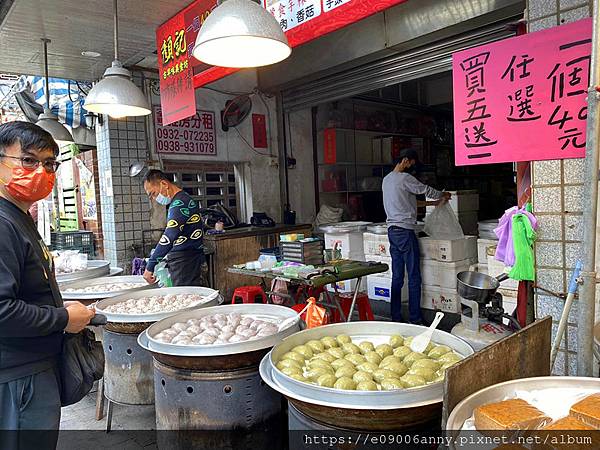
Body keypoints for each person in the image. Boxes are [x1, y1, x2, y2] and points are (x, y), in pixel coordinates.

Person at [0, 121, 95, 447]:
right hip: (18, 375)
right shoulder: (2, 223)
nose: (40, 171)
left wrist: (58, 308)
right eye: (28, 160)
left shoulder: (18, 217)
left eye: (49, 164)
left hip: (33, 366)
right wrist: (63, 319)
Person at [382, 148, 451, 324]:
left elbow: (409, 201)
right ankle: (415, 318)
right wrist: (442, 194)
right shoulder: (405, 178)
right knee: (414, 276)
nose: (411, 168)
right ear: (405, 160)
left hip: (392, 232)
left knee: (397, 276)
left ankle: (395, 316)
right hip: (405, 232)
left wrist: (434, 203)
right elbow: (425, 189)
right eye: (411, 164)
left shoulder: (387, 180)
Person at [143, 169, 206, 286]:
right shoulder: (182, 199)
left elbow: (170, 236)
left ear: (164, 184)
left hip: (185, 262)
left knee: (186, 299)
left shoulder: (180, 203)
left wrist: (150, 265)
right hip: (188, 260)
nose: (153, 199)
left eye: (153, 193)